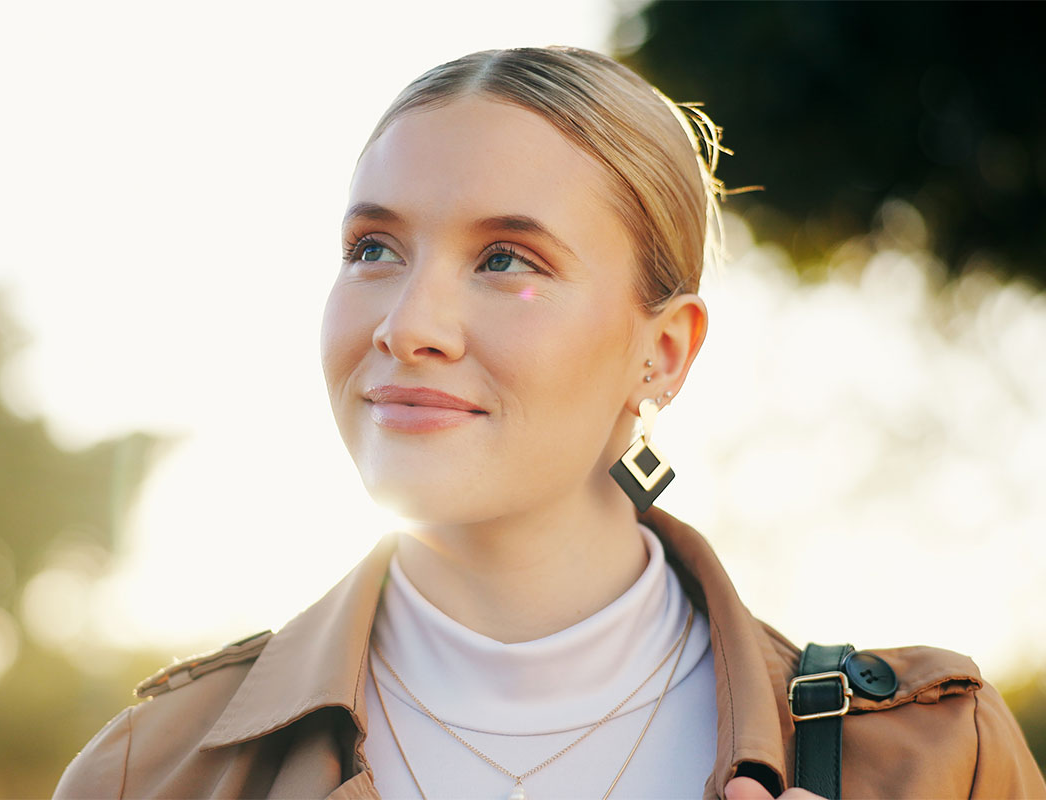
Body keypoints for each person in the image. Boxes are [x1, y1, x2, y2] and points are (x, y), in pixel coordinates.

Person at [54, 47, 1045, 799]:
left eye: (505, 261)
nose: (407, 326)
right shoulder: (152, 770)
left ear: (663, 353)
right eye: (372, 248)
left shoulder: (932, 756)